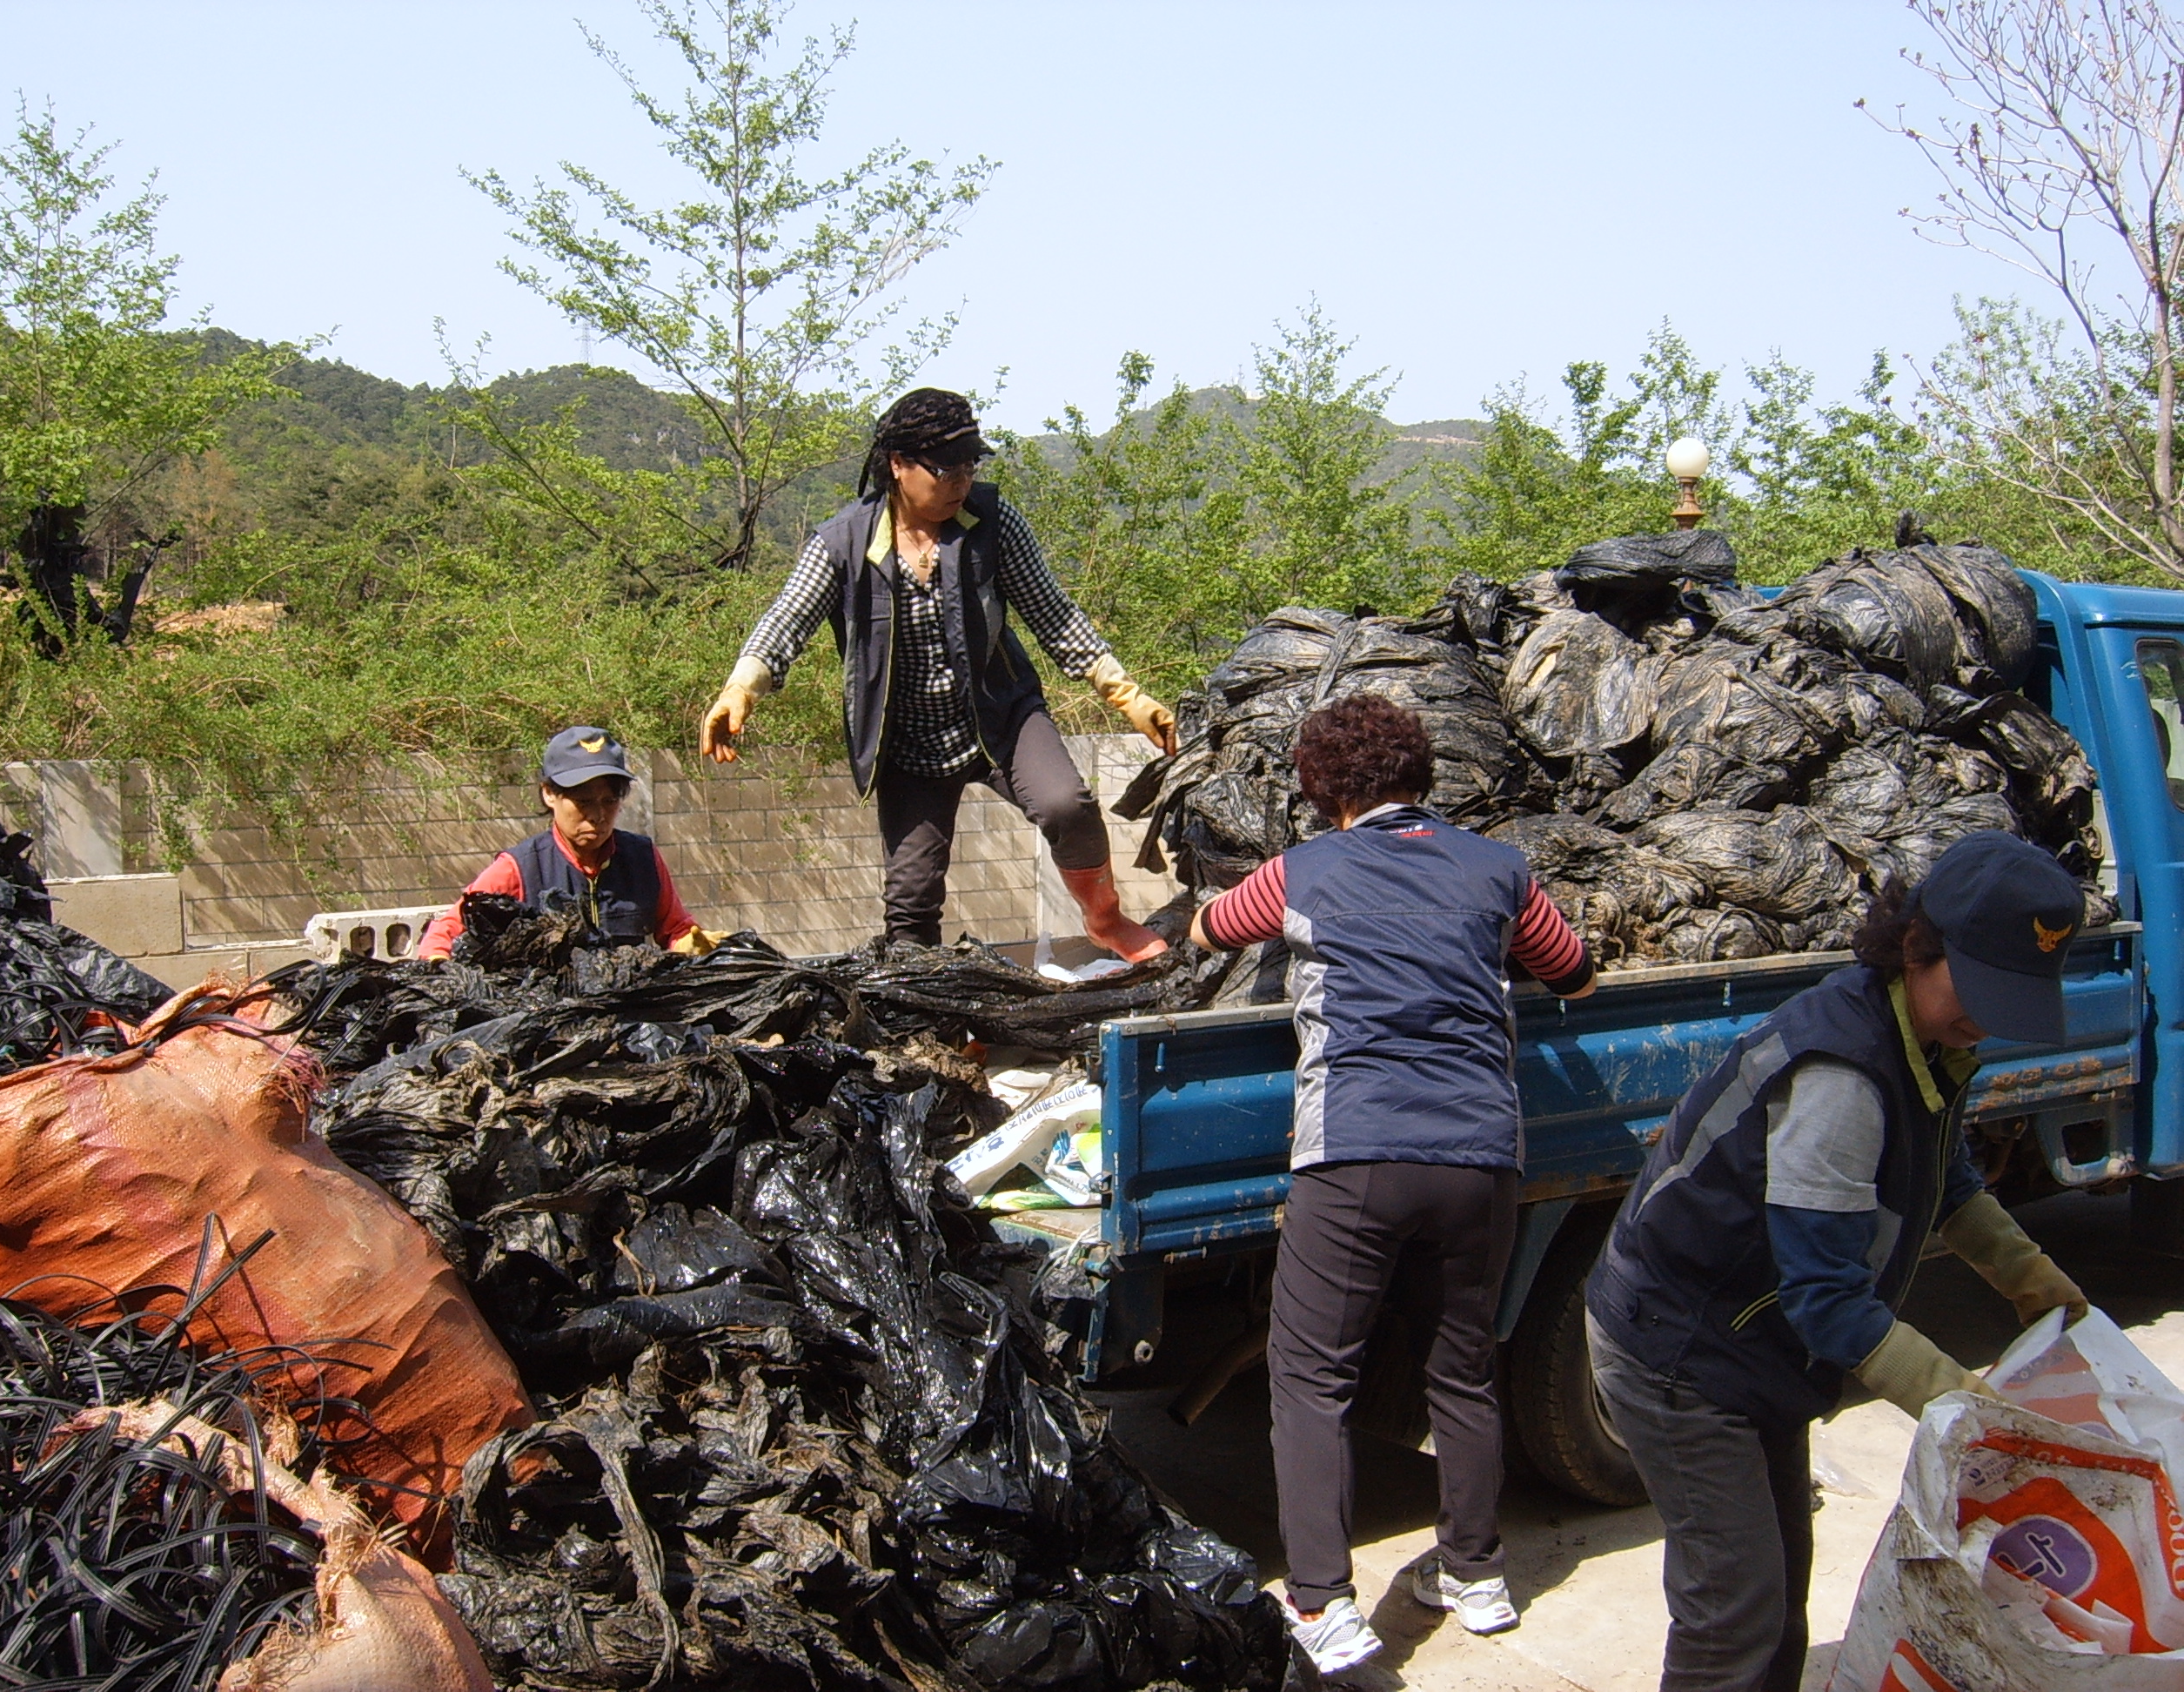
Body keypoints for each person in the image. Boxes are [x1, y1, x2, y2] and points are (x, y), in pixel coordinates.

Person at [1584, 830, 2092, 1692]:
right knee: (1734, 1608)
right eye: (1977, 990)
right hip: (1678, 1349)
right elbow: (1828, 1301)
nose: (1987, 1019)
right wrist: (1972, 1411)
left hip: (1757, 1346)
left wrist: (2027, 1276)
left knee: (1779, 1593)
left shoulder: (1926, 1041)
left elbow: (1944, 1176)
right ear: (1916, 944)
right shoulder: (1843, 1072)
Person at [1188, 693, 1597, 1676]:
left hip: (1357, 1153)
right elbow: (1574, 972)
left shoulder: (1302, 869)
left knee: (1311, 1376)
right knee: (1462, 1369)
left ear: (1322, 790)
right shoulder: (1500, 868)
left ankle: (1323, 1603)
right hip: (1480, 1159)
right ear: (1421, 773)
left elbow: (1209, 930)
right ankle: (1477, 1575)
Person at [699, 388, 1178, 960]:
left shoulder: (994, 523)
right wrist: (740, 689)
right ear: (898, 465)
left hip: (1001, 717)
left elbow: (1053, 613)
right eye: (946, 469)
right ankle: (923, 993)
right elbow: (786, 620)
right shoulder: (842, 544)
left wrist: (1126, 694)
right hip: (908, 743)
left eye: (970, 466)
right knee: (911, 900)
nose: (961, 482)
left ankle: (1106, 920)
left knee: (1066, 806)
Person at [418, 726, 715, 961]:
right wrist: (440, 969)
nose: (598, 815)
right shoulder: (520, 868)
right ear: (549, 794)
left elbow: (675, 928)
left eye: (609, 801)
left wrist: (692, 944)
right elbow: (443, 935)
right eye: (583, 802)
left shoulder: (642, 858)